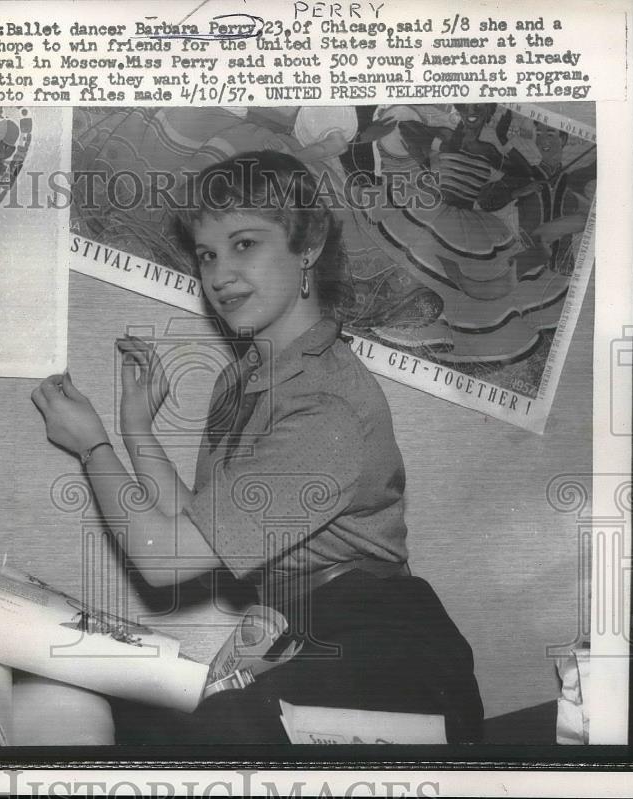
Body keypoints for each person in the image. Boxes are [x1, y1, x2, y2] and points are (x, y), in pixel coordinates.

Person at [31, 150, 484, 744]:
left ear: (309, 244)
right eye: (207, 254)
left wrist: (94, 447)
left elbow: (165, 557)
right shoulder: (245, 379)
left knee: (162, 740)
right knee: (104, 708)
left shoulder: (326, 407)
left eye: (245, 244)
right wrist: (136, 429)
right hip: (305, 630)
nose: (218, 276)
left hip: (384, 652)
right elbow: (202, 530)